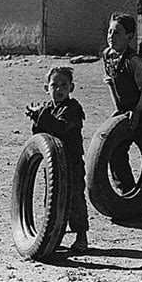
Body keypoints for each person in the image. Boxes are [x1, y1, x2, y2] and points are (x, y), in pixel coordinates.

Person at [102, 12, 142, 222]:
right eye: (110, 31)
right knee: (115, 149)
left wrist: (137, 112)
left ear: (129, 37)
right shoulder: (107, 55)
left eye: (118, 32)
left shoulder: (134, 60)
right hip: (127, 106)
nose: (112, 36)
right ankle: (129, 194)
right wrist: (120, 111)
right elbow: (112, 83)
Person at [25, 66, 89, 252]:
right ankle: (54, 236)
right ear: (47, 88)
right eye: (54, 85)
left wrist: (42, 116)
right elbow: (40, 136)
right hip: (52, 164)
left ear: (71, 88)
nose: (59, 89)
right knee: (52, 200)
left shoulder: (73, 108)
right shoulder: (47, 108)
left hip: (72, 162)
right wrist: (36, 118)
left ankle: (81, 236)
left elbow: (61, 128)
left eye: (64, 85)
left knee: (75, 197)